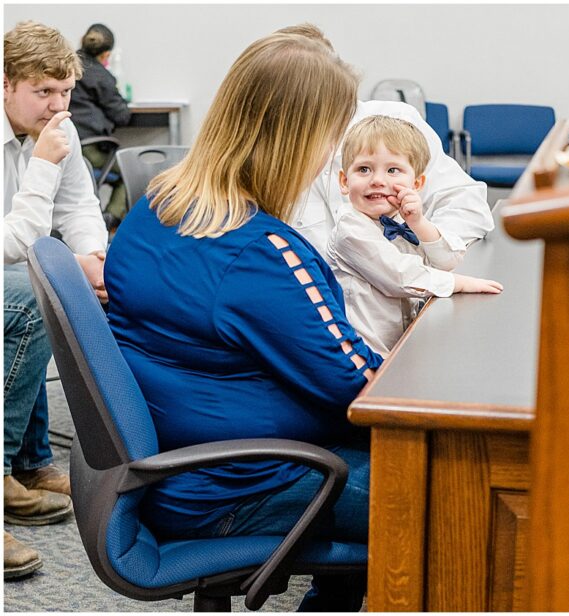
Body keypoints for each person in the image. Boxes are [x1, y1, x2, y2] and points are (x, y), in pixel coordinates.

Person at [104, 31, 377, 611]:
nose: (331, 154)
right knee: (453, 498)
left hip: (174, 474)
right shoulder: (260, 253)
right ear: (300, 138)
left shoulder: (158, 205)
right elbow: (361, 388)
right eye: (332, 135)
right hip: (241, 486)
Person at [3, 20, 108, 579]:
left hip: (12, 272)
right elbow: (13, 243)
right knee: (31, 298)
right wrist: (43, 161)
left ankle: (30, 462)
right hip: (6, 267)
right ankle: (4, 471)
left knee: (53, 288)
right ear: (5, 84)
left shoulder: (56, 131)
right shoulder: (47, 143)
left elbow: (79, 208)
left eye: (65, 92)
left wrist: (93, 258)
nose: (58, 105)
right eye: (43, 92)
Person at [276, 24, 494, 268]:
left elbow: (466, 206)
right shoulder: (268, 149)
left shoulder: (395, 123)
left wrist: (423, 252)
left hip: (413, 294)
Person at [328, 115, 502, 355]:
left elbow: (447, 261)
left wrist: (420, 224)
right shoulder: (350, 229)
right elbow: (401, 276)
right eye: (364, 169)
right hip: (370, 356)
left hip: (404, 346)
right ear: (344, 181)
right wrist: (461, 284)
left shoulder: (400, 218)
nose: (378, 180)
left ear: (417, 183)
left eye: (393, 170)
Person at [69, 23, 131, 225]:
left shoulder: (66, 67)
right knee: (129, 172)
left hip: (63, 144)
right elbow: (122, 116)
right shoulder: (101, 76)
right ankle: (109, 219)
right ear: (106, 55)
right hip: (89, 148)